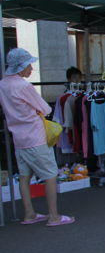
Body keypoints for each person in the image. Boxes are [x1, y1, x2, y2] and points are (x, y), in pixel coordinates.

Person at [0, 48, 75, 227]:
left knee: (24, 176)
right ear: (20, 66)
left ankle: (29, 214)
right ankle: (54, 216)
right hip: (35, 136)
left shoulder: (3, 84)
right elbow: (45, 108)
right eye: (28, 65)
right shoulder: (24, 86)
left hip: (18, 138)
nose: (31, 68)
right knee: (50, 175)